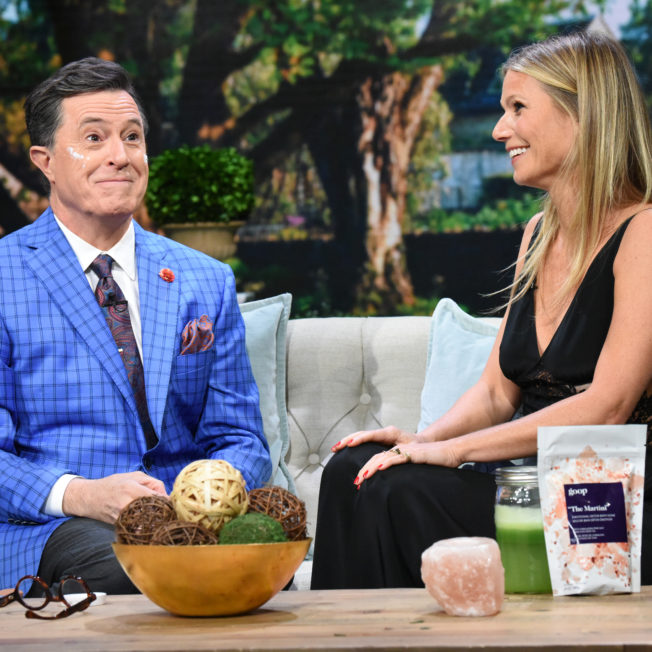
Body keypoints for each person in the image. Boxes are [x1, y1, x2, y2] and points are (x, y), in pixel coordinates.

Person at [311, 30, 652, 589]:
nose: (499, 129)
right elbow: (497, 393)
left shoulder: (644, 232)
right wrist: (422, 441)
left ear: (583, 115)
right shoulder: (538, 233)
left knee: (397, 491)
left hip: (604, 499)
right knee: (352, 469)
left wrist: (452, 451)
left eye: (518, 108)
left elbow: (607, 406)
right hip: (525, 483)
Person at [0, 57, 271, 593]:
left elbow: (240, 437)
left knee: (260, 560)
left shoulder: (205, 279)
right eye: (94, 138)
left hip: (188, 521)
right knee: (139, 569)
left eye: (132, 137)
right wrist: (81, 494)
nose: (119, 157)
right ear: (45, 161)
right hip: (56, 525)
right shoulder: (5, 276)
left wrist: (200, 501)